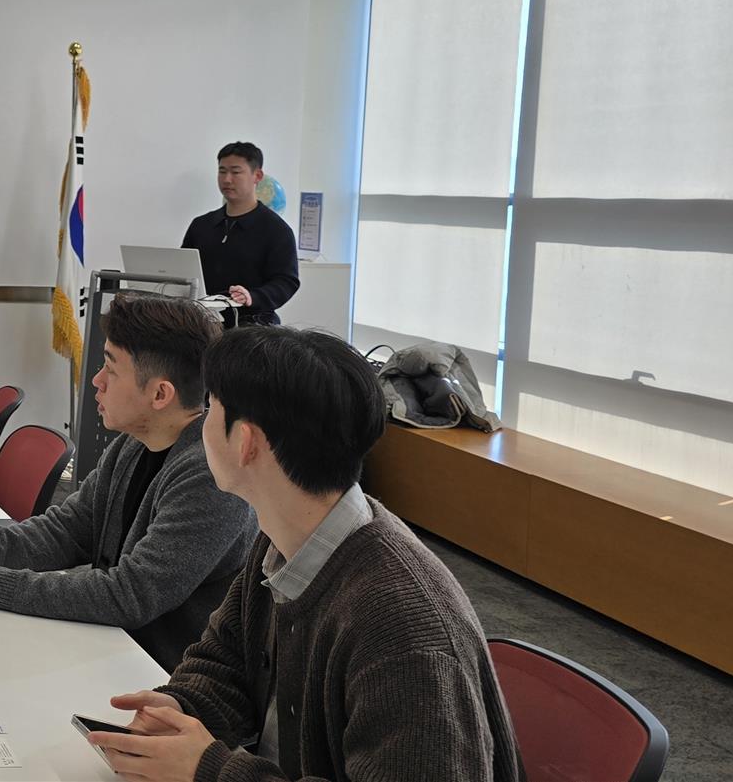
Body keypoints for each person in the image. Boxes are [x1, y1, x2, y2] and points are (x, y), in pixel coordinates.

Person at [86, 327, 521, 782]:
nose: (200, 424)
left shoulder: (402, 630)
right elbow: (225, 661)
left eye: (212, 408)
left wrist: (210, 770)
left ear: (246, 442)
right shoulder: (284, 537)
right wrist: (181, 708)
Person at [0, 294, 258, 669]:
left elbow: (131, 595)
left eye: (111, 369)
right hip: (109, 645)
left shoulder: (210, 477)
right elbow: (68, 531)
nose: (97, 381)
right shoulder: (134, 445)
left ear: (159, 394)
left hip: (163, 675)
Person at [180, 142, 299, 327]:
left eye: (236, 172)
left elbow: (286, 281)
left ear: (257, 176)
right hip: (200, 323)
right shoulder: (201, 225)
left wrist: (253, 296)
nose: (227, 179)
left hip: (252, 326)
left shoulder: (276, 230)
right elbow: (184, 270)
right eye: (222, 171)